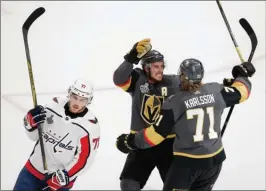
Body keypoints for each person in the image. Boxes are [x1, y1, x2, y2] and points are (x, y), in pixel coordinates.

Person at [116, 58, 255, 190]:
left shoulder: (175, 102)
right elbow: (242, 91)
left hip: (187, 163)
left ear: (183, 76)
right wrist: (242, 76)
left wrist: (131, 141)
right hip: (215, 161)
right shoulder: (217, 91)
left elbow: (155, 135)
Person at [113, 38, 180, 190]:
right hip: (141, 141)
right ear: (146, 67)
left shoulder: (173, 82)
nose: (160, 70)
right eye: (156, 66)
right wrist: (130, 58)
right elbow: (118, 79)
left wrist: (230, 87)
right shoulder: (137, 79)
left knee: (177, 187)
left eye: (162, 66)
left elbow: (196, 88)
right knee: (128, 184)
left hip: (168, 144)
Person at [14, 79, 100, 191]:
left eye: (82, 100)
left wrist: (62, 178)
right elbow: (34, 136)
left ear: (89, 101)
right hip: (32, 171)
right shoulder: (52, 107)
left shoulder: (90, 126)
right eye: (74, 97)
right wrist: (29, 124)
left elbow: (84, 160)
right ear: (69, 94)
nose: (77, 103)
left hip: (60, 182)